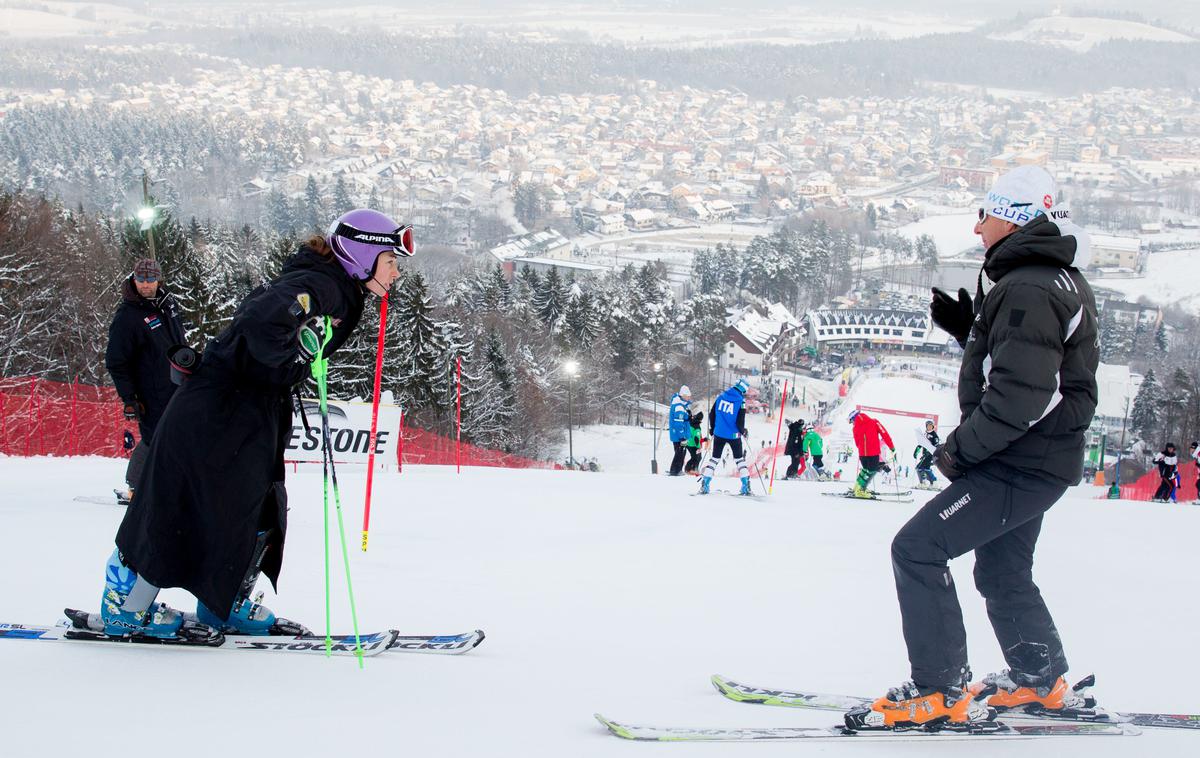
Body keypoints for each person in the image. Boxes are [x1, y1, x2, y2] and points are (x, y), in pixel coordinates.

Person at [848, 166, 1098, 730]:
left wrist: (958, 453)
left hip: (1020, 462)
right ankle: (1039, 679)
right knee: (1004, 572)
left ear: (1011, 217)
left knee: (917, 548)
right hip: (1039, 460)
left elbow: (1021, 396)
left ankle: (939, 689)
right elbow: (1025, 365)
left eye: (984, 213)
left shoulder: (1029, 287)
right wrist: (972, 331)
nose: (977, 225)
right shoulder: (1045, 278)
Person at [91, 209, 411, 640]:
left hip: (248, 408)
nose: (395, 273)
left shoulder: (333, 286)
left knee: (254, 505)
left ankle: (222, 601)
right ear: (361, 255)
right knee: (176, 502)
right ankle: (125, 605)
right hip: (218, 407)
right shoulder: (321, 285)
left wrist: (294, 357)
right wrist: (294, 356)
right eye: (391, 261)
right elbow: (261, 318)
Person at [105, 258, 187, 505]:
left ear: (158, 280)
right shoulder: (128, 316)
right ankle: (136, 487)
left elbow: (177, 341)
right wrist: (129, 398)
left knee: (174, 436)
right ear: (134, 279)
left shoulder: (166, 304)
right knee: (155, 438)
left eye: (150, 280)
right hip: (150, 393)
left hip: (177, 385)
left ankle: (169, 485)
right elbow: (116, 361)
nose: (146, 285)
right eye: (141, 280)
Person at [700, 378, 751, 496]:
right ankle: (745, 486)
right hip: (733, 435)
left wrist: (712, 429)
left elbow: (712, 414)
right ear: (743, 390)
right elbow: (740, 421)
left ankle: (705, 483)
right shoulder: (740, 401)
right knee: (739, 459)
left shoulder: (721, 397)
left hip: (719, 433)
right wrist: (742, 431)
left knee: (715, 459)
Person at [849, 408, 894, 498]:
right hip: (873, 453)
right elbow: (884, 433)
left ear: (854, 418)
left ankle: (857, 487)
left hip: (862, 454)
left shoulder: (855, 428)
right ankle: (861, 490)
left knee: (865, 470)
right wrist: (891, 446)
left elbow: (857, 442)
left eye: (852, 421)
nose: (853, 423)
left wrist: (862, 449)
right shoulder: (874, 422)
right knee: (871, 471)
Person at [667, 385, 693, 476]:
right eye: (688, 396)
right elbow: (678, 424)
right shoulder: (679, 407)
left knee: (681, 451)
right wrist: (682, 436)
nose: (689, 397)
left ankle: (677, 469)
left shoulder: (681, 405)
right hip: (679, 435)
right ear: (684, 395)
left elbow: (683, 419)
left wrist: (688, 416)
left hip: (679, 434)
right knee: (680, 452)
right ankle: (675, 470)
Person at [913, 419, 940, 489]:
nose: (929, 427)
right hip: (924, 454)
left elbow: (936, 445)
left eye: (931, 426)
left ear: (933, 426)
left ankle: (925, 482)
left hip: (930, 455)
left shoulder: (934, 435)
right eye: (928, 426)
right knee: (924, 468)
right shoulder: (925, 434)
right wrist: (917, 450)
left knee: (919, 468)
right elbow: (921, 443)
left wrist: (930, 452)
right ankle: (933, 483)